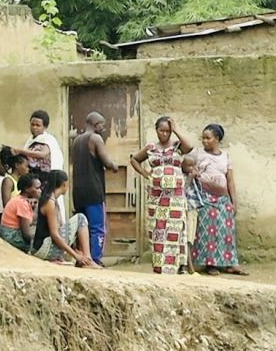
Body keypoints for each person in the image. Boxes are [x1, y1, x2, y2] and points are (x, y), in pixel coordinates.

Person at [130, 116, 193, 274]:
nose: (164, 134)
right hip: (157, 197)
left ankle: (178, 266)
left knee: (176, 229)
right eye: (161, 130)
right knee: (159, 230)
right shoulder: (151, 148)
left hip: (175, 198)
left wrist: (176, 130)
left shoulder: (177, 146)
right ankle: (160, 266)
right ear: (156, 130)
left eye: (167, 131)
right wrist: (146, 174)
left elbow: (190, 147)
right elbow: (135, 160)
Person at [189, 123, 247, 276]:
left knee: (226, 232)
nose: (204, 141)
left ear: (217, 139)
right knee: (208, 232)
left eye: (208, 138)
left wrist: (234, 202)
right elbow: (186, 166)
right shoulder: (198, 154)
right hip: (205, 199)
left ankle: (230, 264)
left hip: (223, 200)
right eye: (203, 138)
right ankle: (210, 264)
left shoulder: (225, 156)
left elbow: (230, 181)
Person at [70, 112, 116, 263]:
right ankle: (95, 259)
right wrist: (113, 166)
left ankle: (82, 258)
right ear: (96, 124)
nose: (103, 128)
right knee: (97, 228)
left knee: (82, 226)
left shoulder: (76, 140)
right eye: (102, 125)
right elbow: (106, 162)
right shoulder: (95, 138)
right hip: (93, 190)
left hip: (78, 191)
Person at [33, 170, 100, 268]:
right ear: (64, 184)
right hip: (44, 249)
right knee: (80, 218)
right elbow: (55, 234)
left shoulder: (50, 199)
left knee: (77, 226)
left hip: (42, 247)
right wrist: (76, 256)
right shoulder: (50, 202)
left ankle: (84, 259)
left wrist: (74, 250)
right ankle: (88, 260)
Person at [0, 174, 40, 253]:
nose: (40, 191)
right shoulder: (22, 203)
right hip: (10, 236)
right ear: (27, 189)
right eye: (37, 188)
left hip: (8, 232)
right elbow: (26, 234)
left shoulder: (21, 199)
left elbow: (33, 220)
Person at [16, 110, 63, 174]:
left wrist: (21, 151)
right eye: (32, 124)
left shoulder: (48, 139)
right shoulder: (30, 141)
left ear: (45, 127)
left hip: (46, 176)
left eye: (38, 125)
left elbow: (43, 154)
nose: (34, 127)